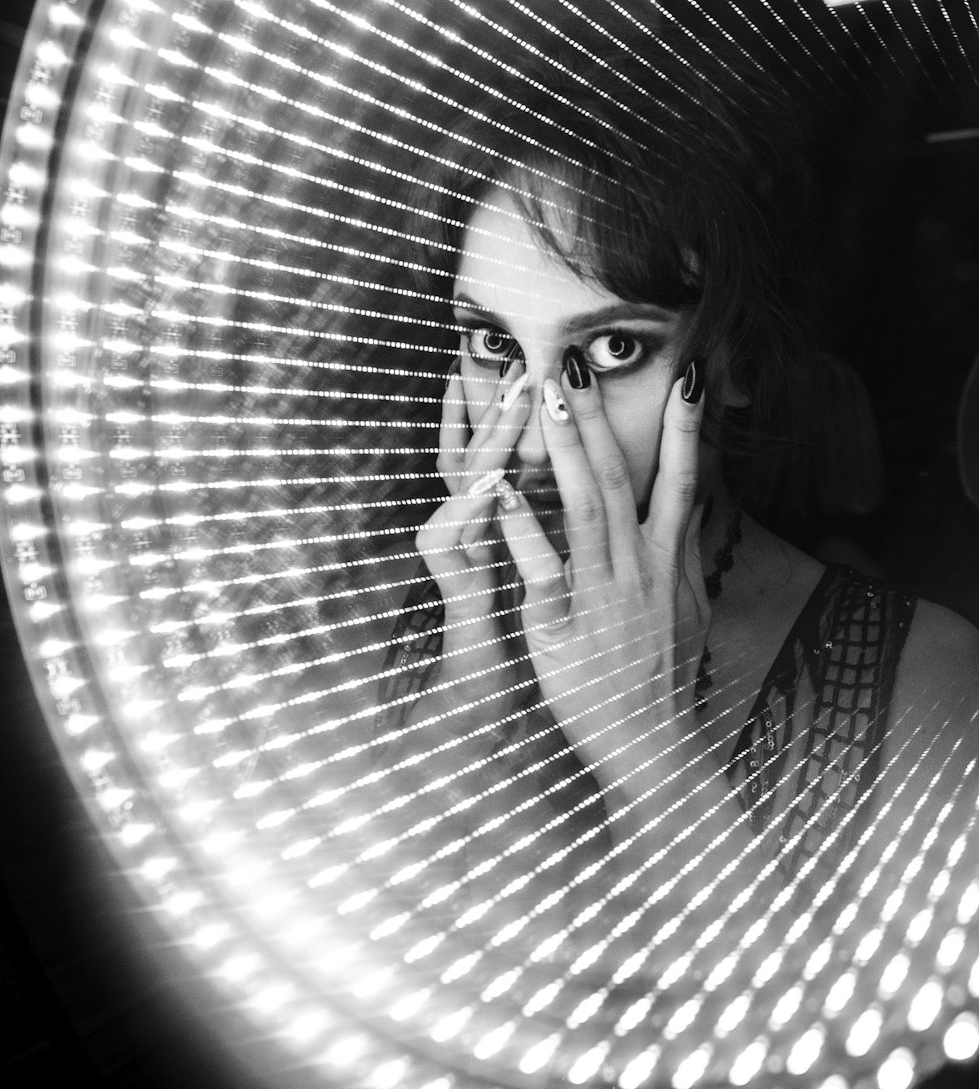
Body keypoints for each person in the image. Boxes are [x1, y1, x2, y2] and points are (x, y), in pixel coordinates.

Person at [364, 35, 979, 1015]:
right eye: (492, 342)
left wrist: (653, 754)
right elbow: (354, 983)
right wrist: (473, 680)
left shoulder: (929, 681)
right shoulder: (403, 628)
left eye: (609, 347)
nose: (531, 420)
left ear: (728, 360)